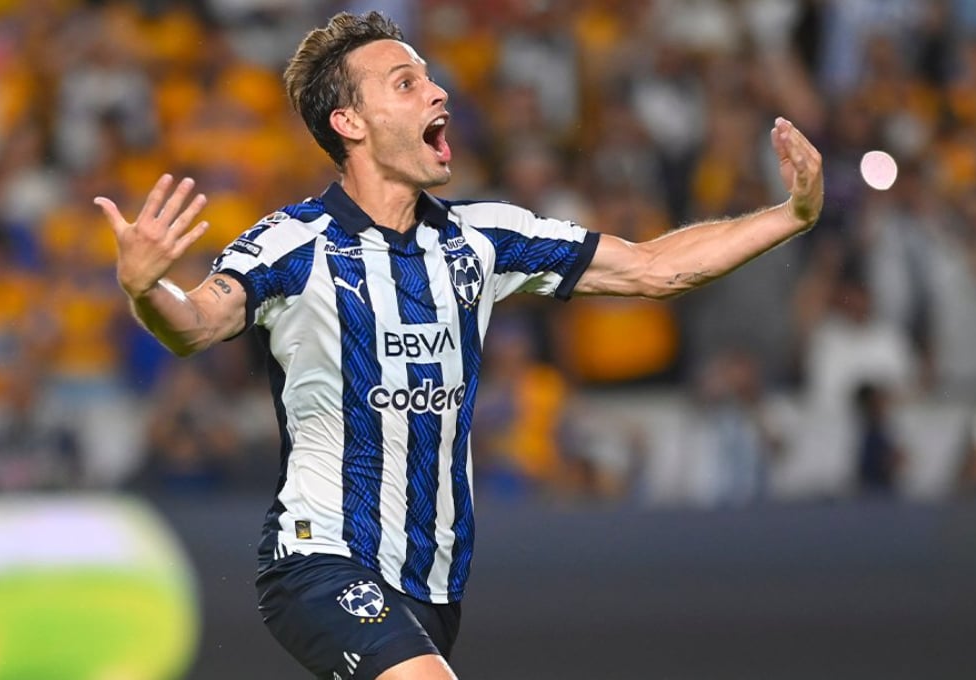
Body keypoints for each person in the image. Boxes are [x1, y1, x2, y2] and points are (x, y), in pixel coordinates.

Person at [93, 12, 823, 680]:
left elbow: (652, 267)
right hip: (320, 558)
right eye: (405, 83)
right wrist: (146, 289)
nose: (437, 92)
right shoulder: (293, 243)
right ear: (349, 121)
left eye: (429, 77)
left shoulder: (482, 238)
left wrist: (791, 215)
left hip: (434, 582)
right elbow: (195, 324)